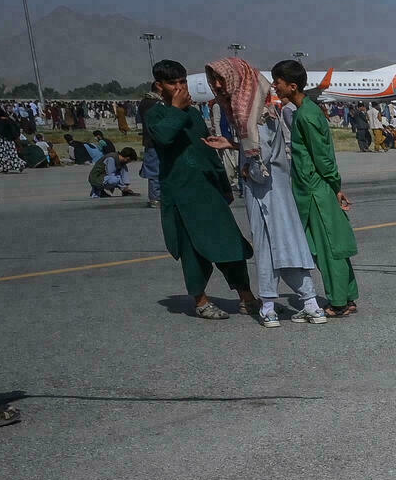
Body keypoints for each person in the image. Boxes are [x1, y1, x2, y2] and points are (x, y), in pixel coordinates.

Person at [210, 57, 321, 327]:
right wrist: (233, 145)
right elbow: (255, 147)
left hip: (267, 193)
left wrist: (247, 171)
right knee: (282, 245)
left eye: (221, 79)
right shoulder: (251, 112)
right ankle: (307, 304)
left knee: (272, 246)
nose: (216, 85)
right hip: (272, 194)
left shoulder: (255, 114)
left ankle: (273, 307)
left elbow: (262, 158)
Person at [141, 59, 256, 320]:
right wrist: (176, 110)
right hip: (181, 194)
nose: (180, 87)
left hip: (208, 189)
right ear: (160, 86)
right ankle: (201, 300)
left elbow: (207, 150)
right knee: (192, 250)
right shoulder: (156, 114)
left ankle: (246, 296)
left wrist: (224, 185)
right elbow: (164, 137)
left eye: (183, 82)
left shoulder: (193, 114)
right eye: (173, 83)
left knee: (230, 243)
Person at [274, 61, 360, 318]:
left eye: (278, 82)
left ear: (292, 86)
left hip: (314, 190)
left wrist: (334, 185)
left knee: (327, 248)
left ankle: (338, 302)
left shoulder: (306, 115)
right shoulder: (306, 110)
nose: (275, 87)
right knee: (334, 244)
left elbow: (322, 157)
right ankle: (347, 296)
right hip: (315, 187)